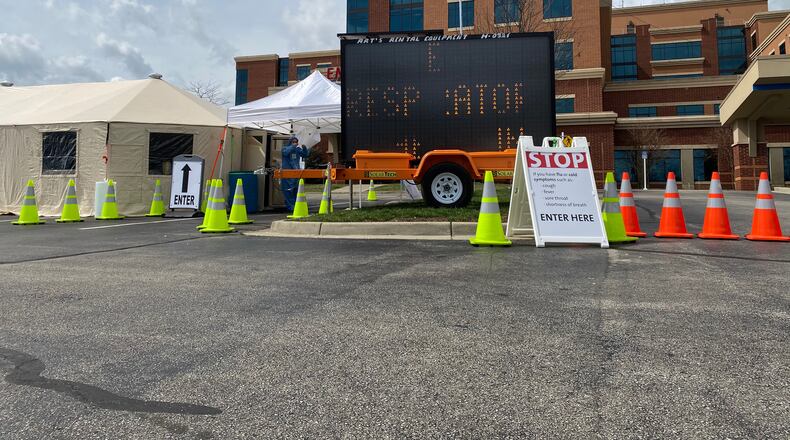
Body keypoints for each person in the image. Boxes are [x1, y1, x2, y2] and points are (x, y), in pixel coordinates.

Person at [280, 136, 309, 212]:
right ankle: (290, 206)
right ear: (290, 142)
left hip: (296, 173)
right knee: (288, 190)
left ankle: (296, 205)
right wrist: (292, 147)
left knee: (295, 190)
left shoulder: (297, 149)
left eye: (296, 142)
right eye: (293, 142)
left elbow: (305, 155)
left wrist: (305, 148)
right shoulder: (285, 148)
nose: (295, 143)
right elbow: (286, 153)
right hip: (287, 173)